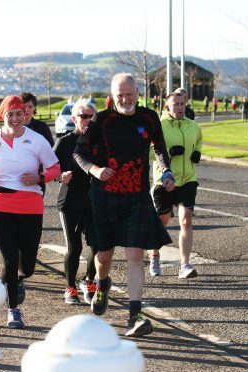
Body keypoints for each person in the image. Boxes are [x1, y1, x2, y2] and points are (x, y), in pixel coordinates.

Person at [73, 73, 174, 337]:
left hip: (136, 196)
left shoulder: (149, 117)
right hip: (104, 196)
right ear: (112, 96)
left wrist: (166, 170)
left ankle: (135, 315)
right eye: (120, 96)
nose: (125, 100)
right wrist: (94, 169)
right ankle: (102, 283)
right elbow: (79, 151)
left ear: (138, 93)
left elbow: (160, 146)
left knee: (135, 255)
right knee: (103, 257)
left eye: (129, 95)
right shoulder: (102, 120)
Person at [0, 96, 60, 329]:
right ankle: (13, 310)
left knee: (27, 266)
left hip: (30, 204)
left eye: (19, 113)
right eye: (10, 114)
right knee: (9, 259)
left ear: (25, 115)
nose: (15, 118)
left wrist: (39, 177)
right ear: (3, 115)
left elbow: (55, 168)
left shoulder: (37, 140)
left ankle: (16, 281)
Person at [149, 92, 203, 279]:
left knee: (186, 220)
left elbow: (199, 142)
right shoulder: (159, 127)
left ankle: (184, 265)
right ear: (167, 107)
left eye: (182, 104)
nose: (179, 107)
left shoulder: (193, 126)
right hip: (164, 181)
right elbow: (149, 153)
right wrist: (169, 153)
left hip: (188, 179)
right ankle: (155, 255)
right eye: (175, 104)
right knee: (162, 222)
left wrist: (197, 152)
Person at [53, 98, 98, 305]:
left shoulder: (99, 142)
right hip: (70, 200)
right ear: (74, 118)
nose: (87, 120)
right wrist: (60, 175)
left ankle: (89, 281)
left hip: (94, 201)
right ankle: (70, 287)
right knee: (74, 247)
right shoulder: (65, 142)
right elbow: (49, 169)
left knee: (97, 245)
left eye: (91, 116)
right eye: (83, 116)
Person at [20, 92, 54, 195]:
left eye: (30, 106)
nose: (27, 109)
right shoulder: (12, 127)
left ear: (34, 108)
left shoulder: (42, 127)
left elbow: (50, 146)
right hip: (15, 176)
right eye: (24, 106)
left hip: (36, 175)